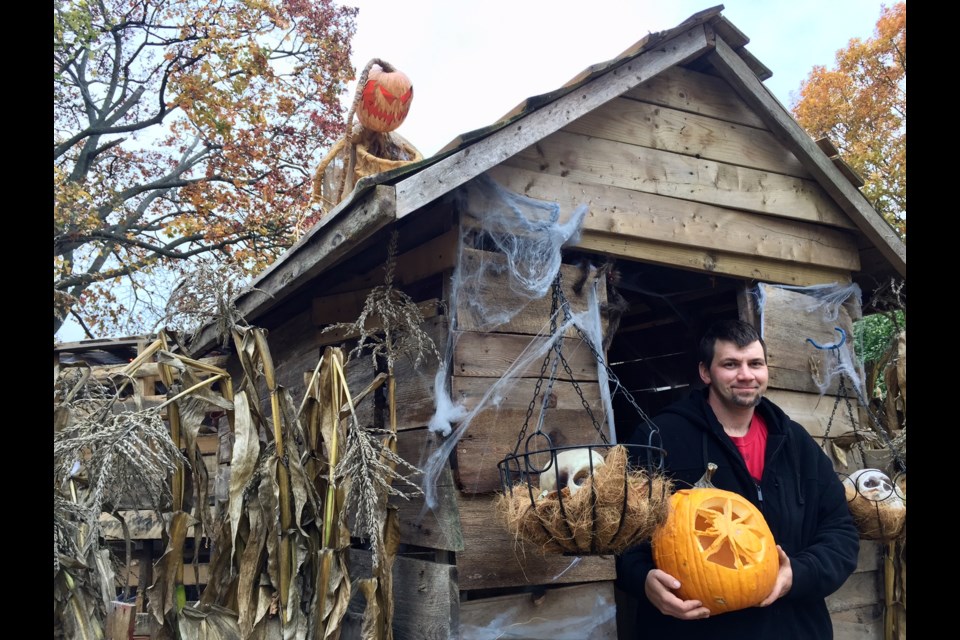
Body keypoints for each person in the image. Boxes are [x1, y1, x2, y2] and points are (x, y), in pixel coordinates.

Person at [616, 318, 859, 639]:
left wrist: (796, 576)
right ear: (706, 372)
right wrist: (644, 580)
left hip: (794, 628)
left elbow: (840, 531)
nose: (746, 375)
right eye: (731, 364)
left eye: (755, 363)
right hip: (695, 631)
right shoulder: (659, 439)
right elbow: (620, 538)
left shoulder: (797, 444)